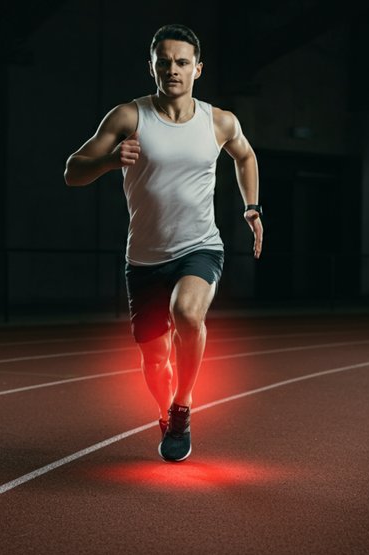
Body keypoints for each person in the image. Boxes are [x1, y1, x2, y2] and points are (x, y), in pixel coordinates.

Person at [64, 24, 264, 462]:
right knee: (155, 361)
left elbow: (245, 155)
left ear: (198, 68)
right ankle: (164, 409)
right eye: (164, 61)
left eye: (181, 62)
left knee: (187, 313)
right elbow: (73, 171)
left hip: (200, 247)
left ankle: (183, 406)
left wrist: (252, 207)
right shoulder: (128, 117)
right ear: (152, 66)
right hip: (144, 259)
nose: (172, 69)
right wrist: (109, 161)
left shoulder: (220, 121)